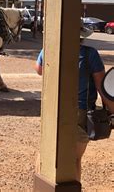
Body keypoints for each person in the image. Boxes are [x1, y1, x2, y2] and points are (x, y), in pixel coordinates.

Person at [34, 22, 114, 181]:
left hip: (52, 108)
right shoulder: (90, 54)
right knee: (74, 159)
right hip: (80, 111)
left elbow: (39, 69)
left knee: (46, 153)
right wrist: (112, 109)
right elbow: (101, 87)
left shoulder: (48, 50)